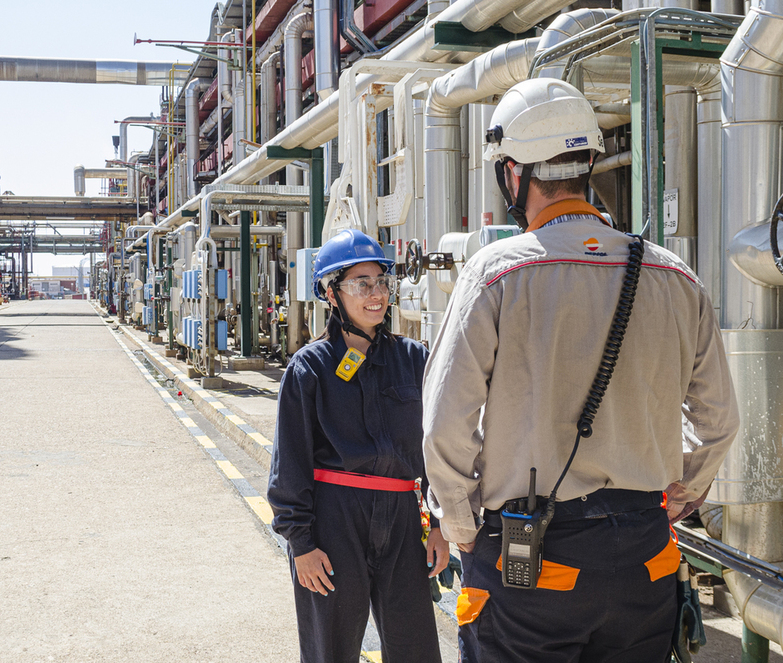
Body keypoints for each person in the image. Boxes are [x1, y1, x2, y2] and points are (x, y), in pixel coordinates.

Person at [421, 78, 739, 662]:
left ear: (514, 174)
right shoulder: (675, 277)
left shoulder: (496, 274)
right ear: (589, 161)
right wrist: (682, 492)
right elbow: (719, 420)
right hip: (644, 558)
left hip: (531, 562)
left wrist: (462, 526)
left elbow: (445, 423)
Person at [267, 228, 448, 663]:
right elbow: (288, 462)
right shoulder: (309, 368)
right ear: (332, 294)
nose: (377, 295)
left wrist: (439, 524)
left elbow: (437, 449)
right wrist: (301, 545)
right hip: (335, 521)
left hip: (404, 521)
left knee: (416, 648)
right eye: (361, 284)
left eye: (381, 283)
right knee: (331, 648)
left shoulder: (413, 359)